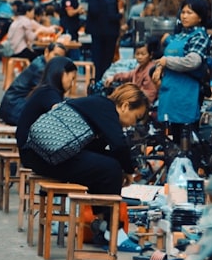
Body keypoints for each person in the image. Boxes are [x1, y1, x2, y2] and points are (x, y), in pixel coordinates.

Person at [20, 83, 148, 196]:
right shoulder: (107, 109)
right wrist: (128, 171)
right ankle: (107, 219)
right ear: (125, 106)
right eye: (136, 117)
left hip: (38, 155)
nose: (133, 124)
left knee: (108, 163)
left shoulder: (96, 104)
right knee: (111, 168)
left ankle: (97, 217)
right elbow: (119, 145)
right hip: (47, 158)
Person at [152, 0, 212, 147]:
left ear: (200, 17)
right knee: (173, 136)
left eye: (190, 13)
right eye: (183, 12)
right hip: (171, 92)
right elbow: (167, 56)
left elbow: (193, 61)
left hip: (187, 94)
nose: (184, 16)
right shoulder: (180, 35)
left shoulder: (199, 36)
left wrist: (166, 62)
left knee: (186, 137)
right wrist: (160, 67)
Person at [0, 41, 68, 124]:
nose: (57, 60)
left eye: (60, 58)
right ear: (46, 52)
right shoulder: (41, 69)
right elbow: (48, 93)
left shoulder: (42, 63)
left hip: (12, 107)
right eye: (55, 55)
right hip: (14, 108)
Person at [91, 0, 125, 83]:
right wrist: (120, 14)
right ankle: (102, 81)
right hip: (109, 33)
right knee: (106, 59)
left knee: (102, 59)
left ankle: (99, 80)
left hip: (104, 33)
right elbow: (112, 16)